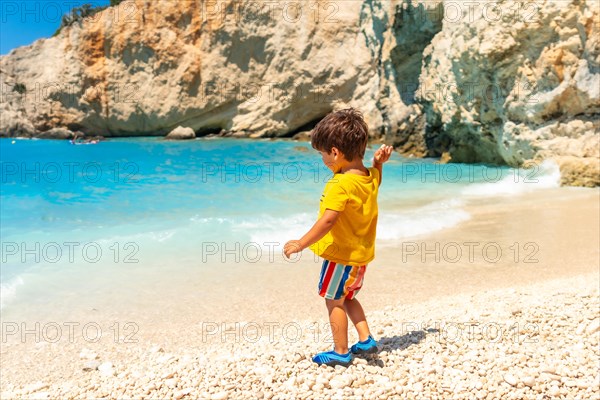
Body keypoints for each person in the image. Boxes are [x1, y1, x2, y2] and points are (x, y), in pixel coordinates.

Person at [284, 108, 393, 367]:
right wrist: (378, 163)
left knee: (333, 299)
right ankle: (365, 339)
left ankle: (341, 351)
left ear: (335, 152)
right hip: (361, 256)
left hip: (341, 256)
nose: (322, 159)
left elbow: (328, 220)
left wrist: (301, 243)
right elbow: (376, 177)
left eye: (322, 154)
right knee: (349, 297)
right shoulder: (368, 177)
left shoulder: (340, 185)